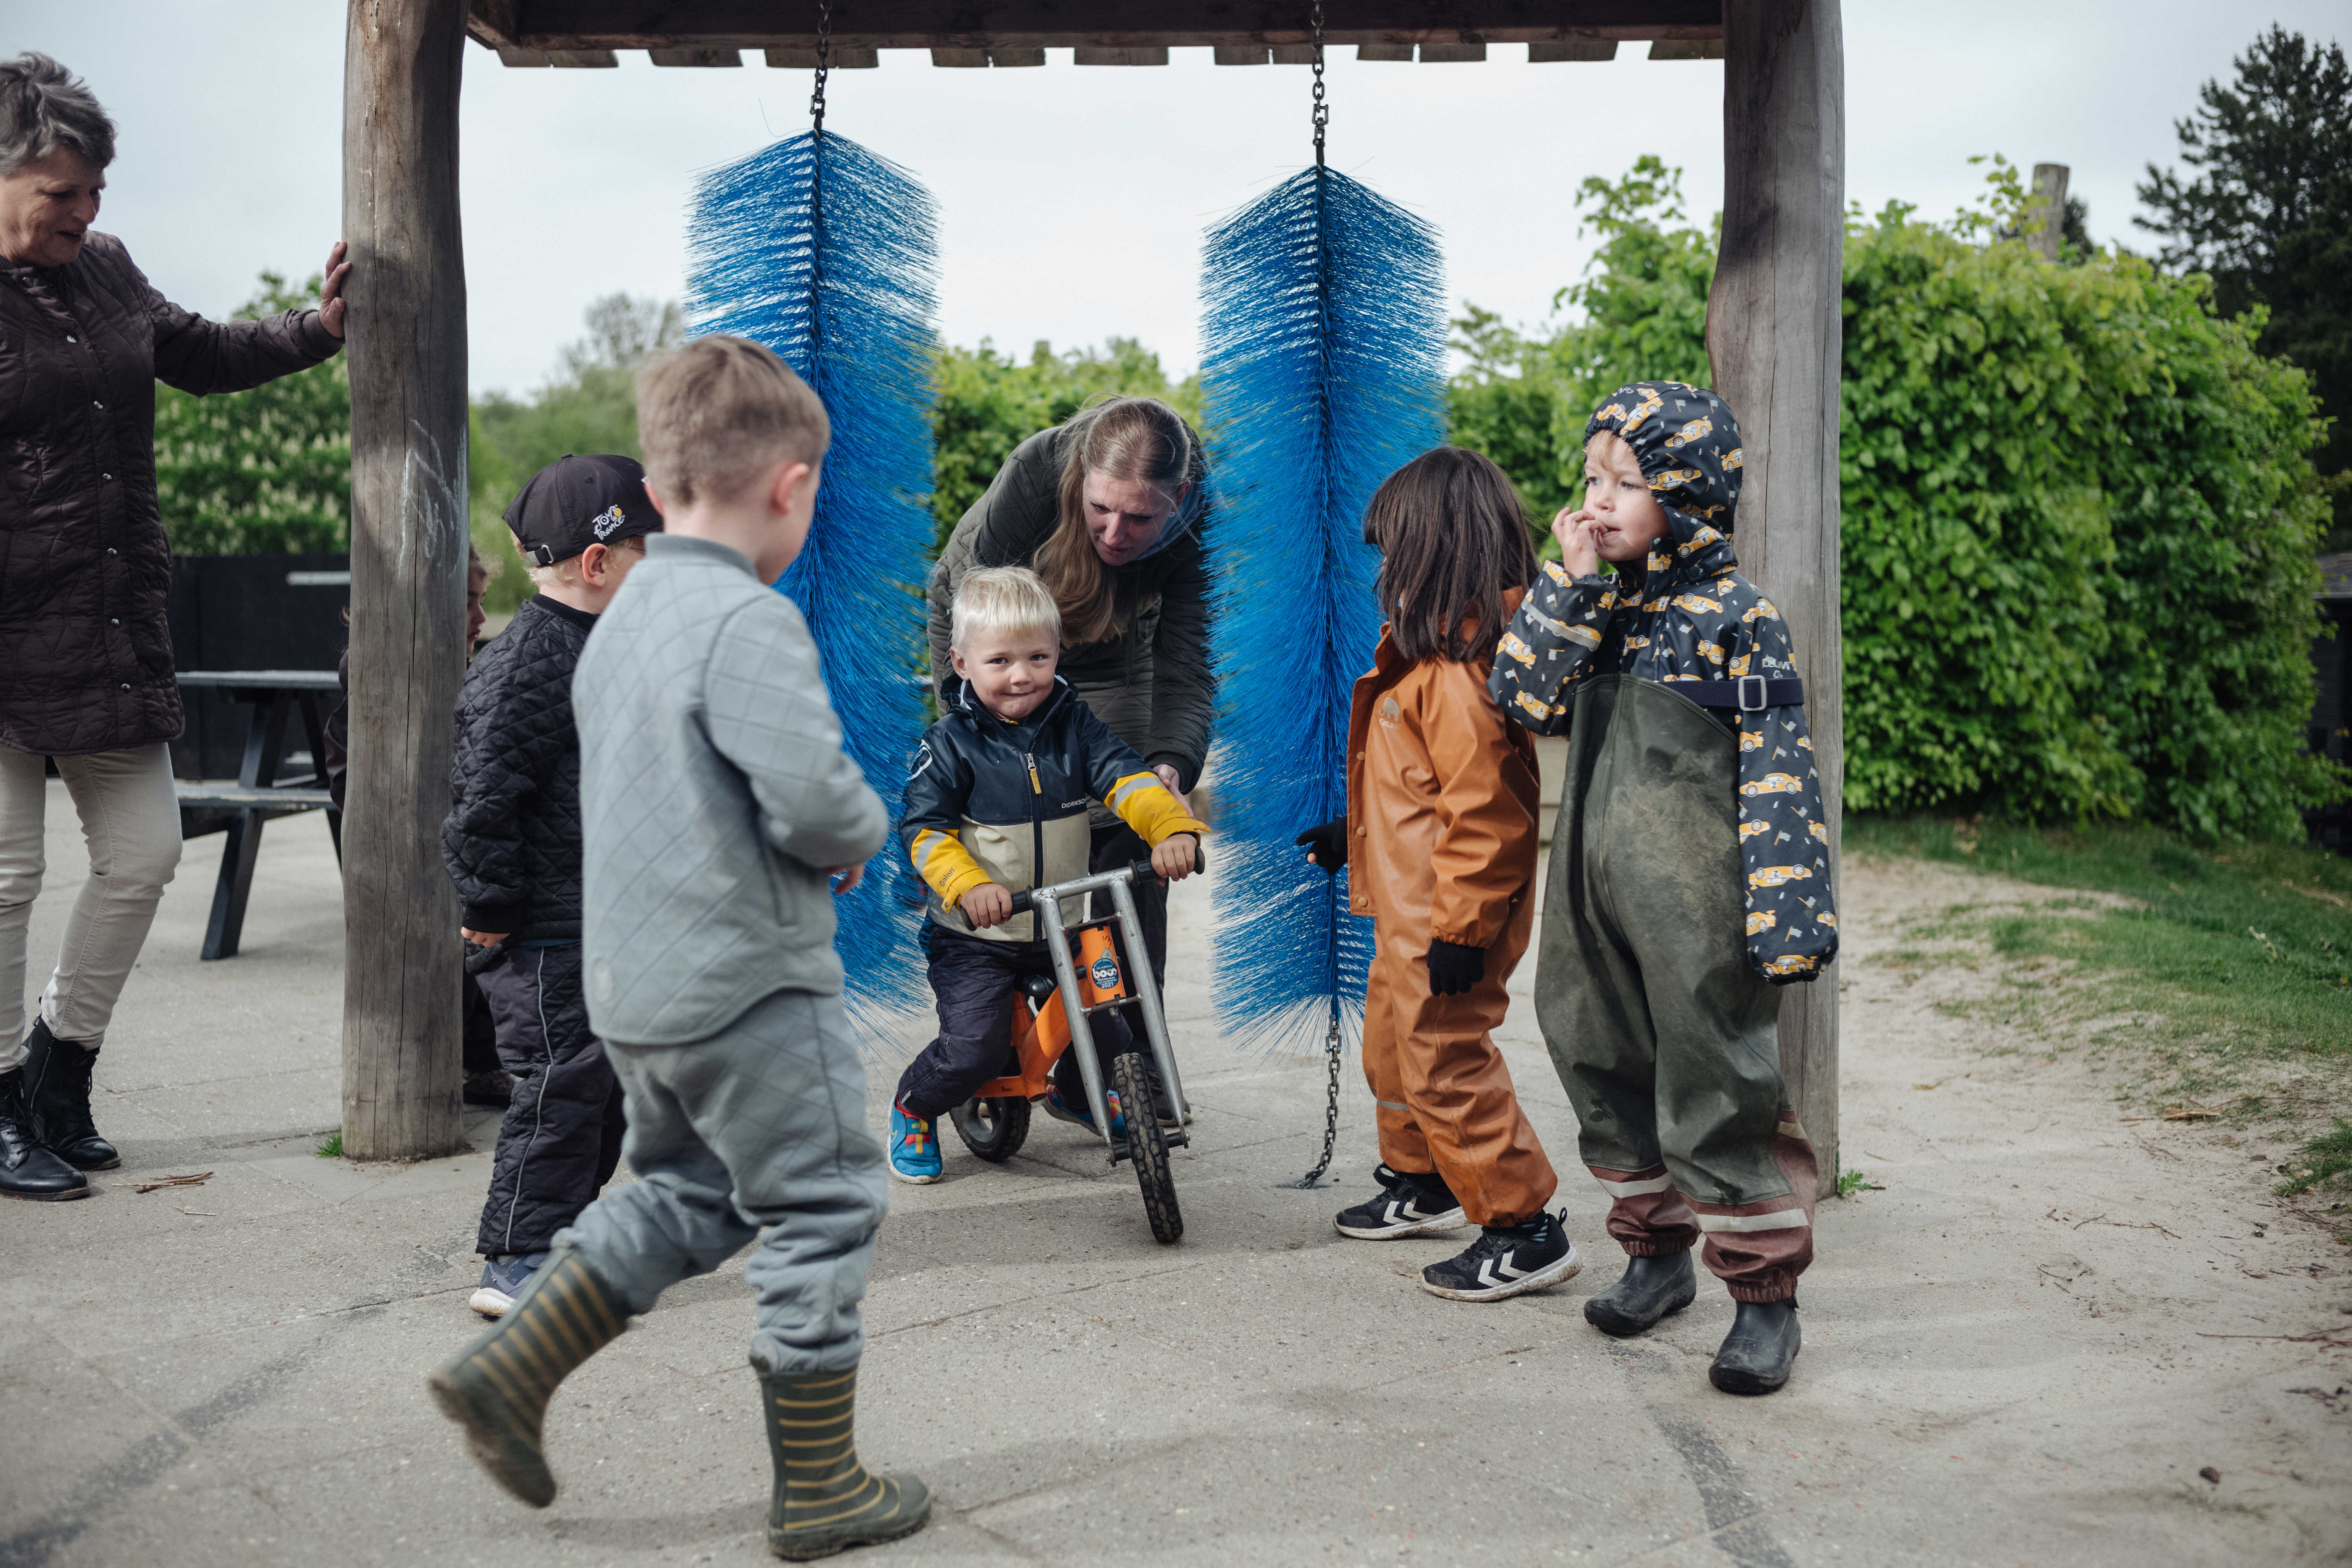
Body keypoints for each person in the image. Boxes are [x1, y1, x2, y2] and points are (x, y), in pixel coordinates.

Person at [430, 336, 931, 1559]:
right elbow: (816, 806)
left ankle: (512, 1369)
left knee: (688, 1194)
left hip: (631, 988)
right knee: (826, 1199)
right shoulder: (745, 620)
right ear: (793, 488)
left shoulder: (624, 619)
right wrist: (859, 830)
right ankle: (821, 1485)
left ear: (658, 492)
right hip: (749, 983)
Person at [0, 53, 350, 1201]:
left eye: (96, 190)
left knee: (145, 855)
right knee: (6, 877)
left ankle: (57, 1073)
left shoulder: (104, 270)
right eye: (62, 192)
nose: (85, 211)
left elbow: (197, 351)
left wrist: (318, 326)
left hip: (104, 624)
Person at [1487, 381, 1837, 1396]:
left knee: (1715, 1079)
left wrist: (1788, 910)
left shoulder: (1738, 616)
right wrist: (1571, 584)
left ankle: (1765, 1299)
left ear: (1686, 498)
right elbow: (1522, 698)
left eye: (1626, 484)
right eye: (1591, 478)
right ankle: (1654, 1257)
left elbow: (1781, 767)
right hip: (1592, 891)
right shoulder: (1599, 604)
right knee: (1591, 1048)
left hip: (1698, 904)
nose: (1598, 500)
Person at [1296, 447, 1578, 1304]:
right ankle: (1423, 1181)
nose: (1384, 574)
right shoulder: (1423, 661)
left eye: (1394, 556)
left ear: (1434, 556)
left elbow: (1487, 813)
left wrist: (1462, 931)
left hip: (1448, 922)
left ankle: (1522, 1227)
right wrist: (1355, 837)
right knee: (1394, 1049)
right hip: (1410, 914)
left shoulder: (1458, 677)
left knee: (1445, 1062)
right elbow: (1417, 792)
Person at [888, 566, 1207, 1183]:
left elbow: (1128, 780)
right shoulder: (950, 744)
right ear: (961, 663)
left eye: (1038, 657)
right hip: (979, 935)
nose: (1022, 676)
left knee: (1112, 1020)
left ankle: (1078, 1094)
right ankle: (914, 1105)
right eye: (1000, 661)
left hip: (1060, 923)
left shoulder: (1074, 726)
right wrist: (969, 886)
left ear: (1059, 653)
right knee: (974, 1049)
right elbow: (924, 831)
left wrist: (1170, 830)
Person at [443, 455, 659, 1317]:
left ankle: (565, 1232)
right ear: (599, 562)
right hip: (541, 932)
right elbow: (482, 797)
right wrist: (491, 903)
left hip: (607, 920)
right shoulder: (528, 662)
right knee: (560, 1086)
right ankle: (516, 1258)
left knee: (608, 1088)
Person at [926, 398, 1211, 1008]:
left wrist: (1170, 766)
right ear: (1081, 478)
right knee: (1007, 797)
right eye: (1100, 508)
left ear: (1180, 497)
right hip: (995, 623)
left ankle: (1128, 1032)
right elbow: (987, 624)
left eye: (1139, 517)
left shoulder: (1201, 517)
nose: (1114, 534)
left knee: (1132, 811)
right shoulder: (1035, 472)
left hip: (1118, 642)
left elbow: (1186, 665)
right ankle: (1001, 1003)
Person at [325, 546, 516, 1111]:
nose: (481, 619)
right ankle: (464, 1061)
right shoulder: (380, 669)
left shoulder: (464, 670)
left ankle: (481, 1058)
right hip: (401, 842)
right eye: (468, 604)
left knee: (479, 932)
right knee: (458, 938)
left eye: (482, 602)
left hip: (451, 832)